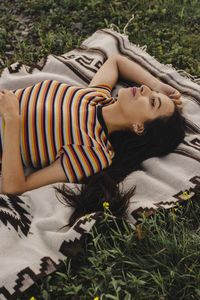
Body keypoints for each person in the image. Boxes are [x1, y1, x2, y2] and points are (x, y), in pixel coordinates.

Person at [0, 54, 185, 223]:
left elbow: (14, 187)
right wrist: (158, 85)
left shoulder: (93, 153)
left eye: (153, 101)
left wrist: (12, 119)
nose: (145, 88)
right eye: (152, 92)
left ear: (138, 127)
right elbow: (116, 61)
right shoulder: (97, 97)